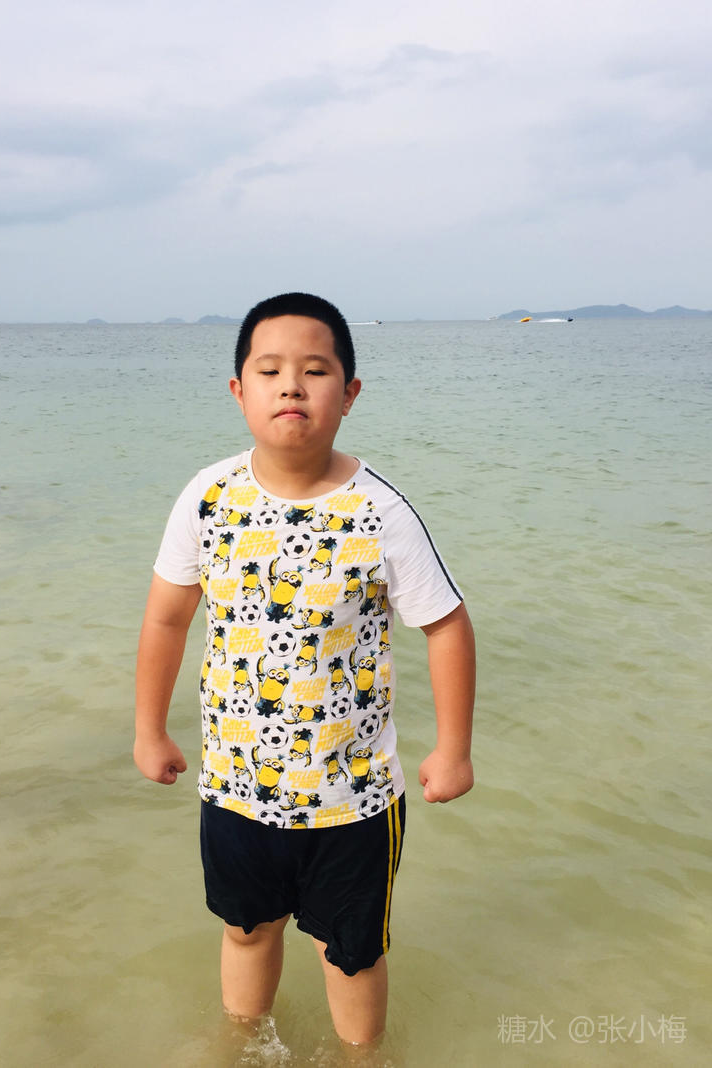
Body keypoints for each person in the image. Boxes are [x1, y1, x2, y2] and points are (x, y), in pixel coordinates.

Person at [134, 292, 475, 1046]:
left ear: (349, 394)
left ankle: (360, 1060)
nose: (292, 385)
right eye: (270, 370)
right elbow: (166, 618)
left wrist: (453, 748)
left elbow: (446, 625)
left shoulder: (379, 511)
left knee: (350, 955)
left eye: (316, 371)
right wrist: (148, 729)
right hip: (236, 786)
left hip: (352, 799)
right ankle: (244, 1048)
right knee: (246, 930)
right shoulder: (208, 498)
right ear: (239, 392)